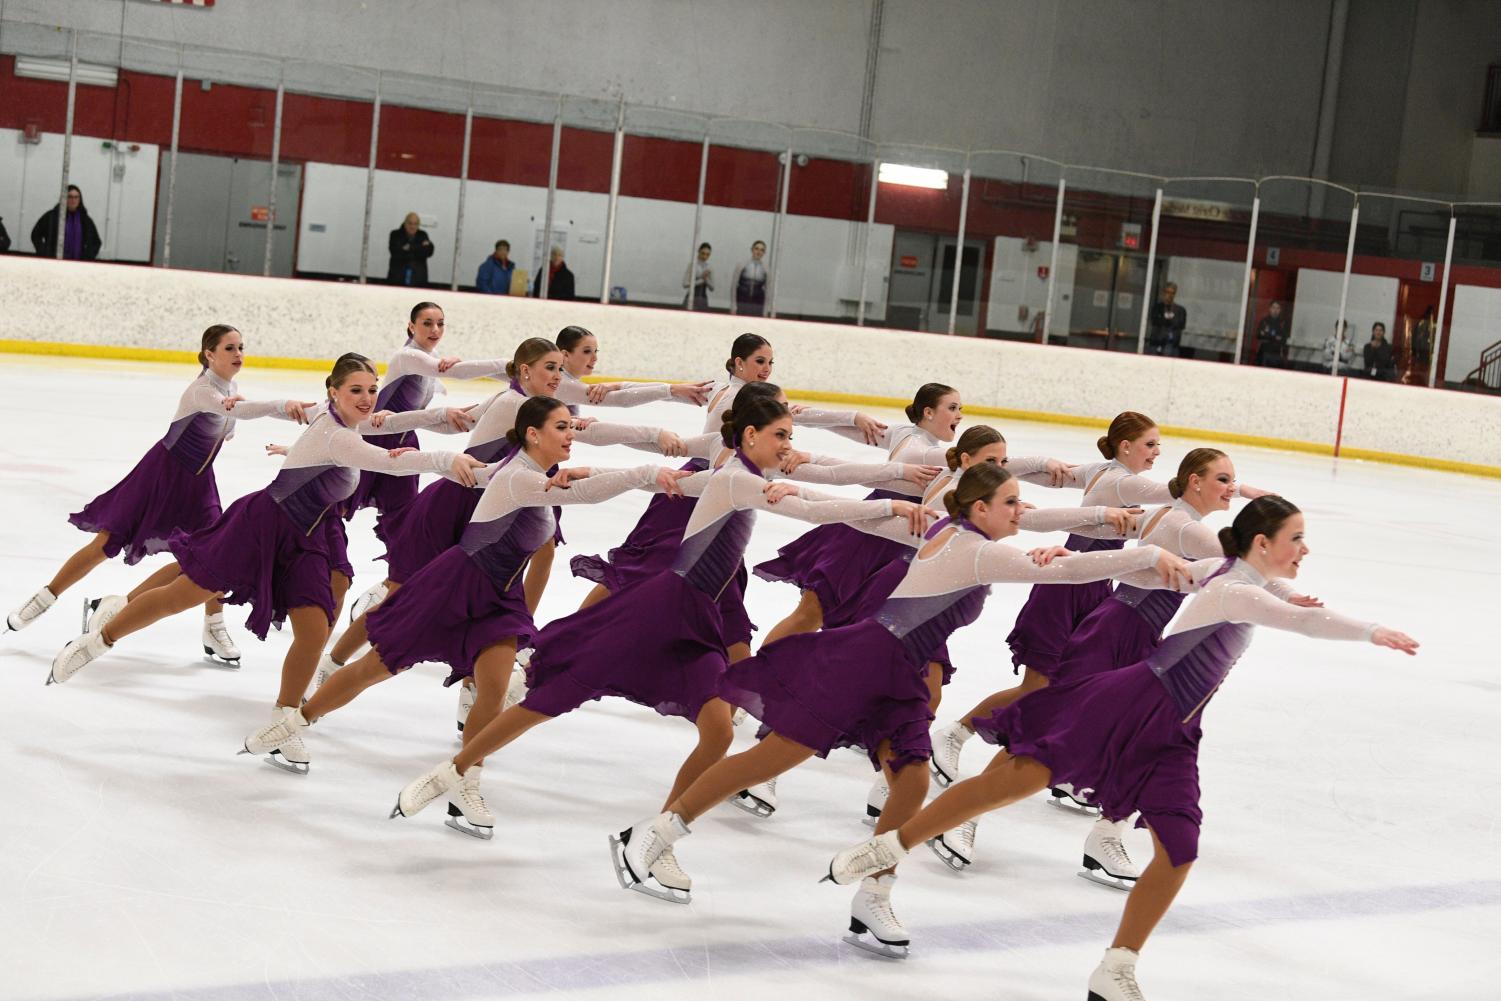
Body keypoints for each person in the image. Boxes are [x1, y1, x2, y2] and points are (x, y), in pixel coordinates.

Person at [822, 496, 1417, 1000]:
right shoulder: (1236, 589)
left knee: (1179, 849)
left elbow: (1274, 592)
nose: (1305, 549)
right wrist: (1370, 631)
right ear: (1262, 543)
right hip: (1128, 704)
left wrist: (1301, 597)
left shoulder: (1239, 573)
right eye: (1297, 539)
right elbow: (1289, 616)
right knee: (1016, 780)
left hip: (1174, 732)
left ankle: (1118, 967)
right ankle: (889, 848)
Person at [603, 462, 1190, 954]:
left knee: (909, 781)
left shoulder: (961, 528)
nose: (1020, 510)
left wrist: (1108, 521)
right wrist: (1140, 559)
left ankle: (873, 896)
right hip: (864, 659)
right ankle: (653, 835)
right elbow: (1068, 568)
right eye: (1010, 502)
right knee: (777, 755)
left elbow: (1044, 524)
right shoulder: (974, 552)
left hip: (900, 676)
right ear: (980, 507)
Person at [389, 395, 931, 901]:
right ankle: (453, 770)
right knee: (551, 697)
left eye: (791, 437)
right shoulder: (738, 479)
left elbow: (828, 477)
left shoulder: (747, 472)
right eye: (781, 436)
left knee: (718, 729)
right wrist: (883, 511)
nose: (790, 446)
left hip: (698, 621)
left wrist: (899, 482)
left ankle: (655, 838)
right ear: (749, 435)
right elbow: (815, 508)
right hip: (658, 610)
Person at [243, 396, 691, 819]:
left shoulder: (530, 473)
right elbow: (584, 494)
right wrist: (644, 473)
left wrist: (642, 473)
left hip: (499, 599)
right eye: (561, 427)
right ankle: (295, 722)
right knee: (378, 666)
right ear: (532, 434)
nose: (570, 433)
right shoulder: (518, 478)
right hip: (454, 586)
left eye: (572, 426)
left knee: (494, 689)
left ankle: (464, 781)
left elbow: (574, 484)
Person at [46, 354, 488, 773]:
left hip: (305, 536)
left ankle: (283, 719)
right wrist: (445, 460)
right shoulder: (336, 435)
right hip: (263, 524)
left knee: (315, 629)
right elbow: (388, 460)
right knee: (184, 595)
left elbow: (390, 422)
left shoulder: (345, 420)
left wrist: (442, 418)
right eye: (356, 390)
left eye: (372, 389)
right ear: (333, 392)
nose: (367, 398)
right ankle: (97, 641)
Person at [4, 325, 314, 669]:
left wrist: (294, 411)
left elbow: (233, 414)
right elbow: (233, 411)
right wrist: (280, 404)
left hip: (198, 483)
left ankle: (212, 626)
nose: (238, 354)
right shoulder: (201, 389)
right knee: (108, 543)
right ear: (209, 354)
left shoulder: (231, 388)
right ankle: (45, 597)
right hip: (161, 475)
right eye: (229, 348)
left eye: (241, 347)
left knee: (215, 557)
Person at [31, 185, 102, 261]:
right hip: (54, 262)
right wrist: (44, 253)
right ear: (64, 198)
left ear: (79, 199)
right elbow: (35, 235)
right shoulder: (52, 216)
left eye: (76, 197)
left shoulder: (85, 220)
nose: (73, 200)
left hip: (77, 265)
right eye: (70, 197)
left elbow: (96, 242)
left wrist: (87, 257)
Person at [387, 213, 434, 287]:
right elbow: (396, 253)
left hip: (418, 281)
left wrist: (409, 247)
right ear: (405, 223)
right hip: (397, 280)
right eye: (410, 223)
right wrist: (419, 247)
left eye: (415, 224)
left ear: (418, 225)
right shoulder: (395, 235)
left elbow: (429, 252)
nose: (412, 226)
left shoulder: (423, 235)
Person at [1145, 283, 1186, 357]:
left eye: (1172, 293)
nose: (1170, 295)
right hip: (1156, 343)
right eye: (1167, 292)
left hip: (1171, 345)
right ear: (1163, 293)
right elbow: (1155, 321)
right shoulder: (1157, 308)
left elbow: (1181, 325)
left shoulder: (1180, 310)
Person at [730, 241, 768, 316]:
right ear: (752, 249)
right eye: (756, 249)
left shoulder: (766, 269)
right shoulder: (742, 264)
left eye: (762, 250)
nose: (759, 252)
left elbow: (768, 290)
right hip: (742, 301)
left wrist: (765, 311)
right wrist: (733, 306)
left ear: (764, 252)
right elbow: (734, 286)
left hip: (758, 304)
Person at [1253, 301, 1288, 367]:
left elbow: (1284, 338)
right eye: (1273, 307)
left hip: (1277, 353)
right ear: (1270, 309)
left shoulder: (1282, 322)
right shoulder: (1264, 321)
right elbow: (1259, 335)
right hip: (1264, 352)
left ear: (1280, 310)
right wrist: (1275, 337)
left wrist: (1268, 335)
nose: (1275, 310)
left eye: (1278, 308)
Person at [683, 242, 714, 310]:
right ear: (699, 251)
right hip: (692, 297)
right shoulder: (692, 265)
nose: (704, 257)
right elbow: (685, 284)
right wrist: (701, 279)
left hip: (703, 298)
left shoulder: (709, 267)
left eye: (707, 254)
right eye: (703, 253)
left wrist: (706, 280)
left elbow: (712, 288)